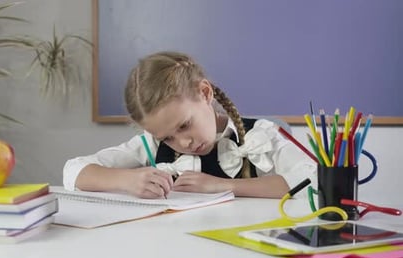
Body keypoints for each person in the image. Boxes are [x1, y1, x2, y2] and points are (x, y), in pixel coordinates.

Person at [63, 51, 316, 199]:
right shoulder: (150, 144)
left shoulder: (261, 134)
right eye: (168, 138)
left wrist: (223, 186)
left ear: (205, 93)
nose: (183, 143)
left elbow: (314, 179)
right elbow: (73, 170)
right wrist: (126, 180)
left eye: (184, 125)